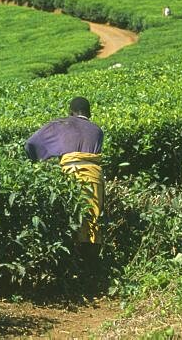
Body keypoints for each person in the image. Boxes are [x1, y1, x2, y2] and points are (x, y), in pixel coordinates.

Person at [25, 97, 105, 249]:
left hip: (70, 174)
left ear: (70, 112)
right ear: (90, 113)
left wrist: (38, 162)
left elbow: (30, 144)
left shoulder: (60, 124)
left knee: (70, 220)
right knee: (92, 223)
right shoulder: (97, 131)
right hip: (95, 177)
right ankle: (92, 263)